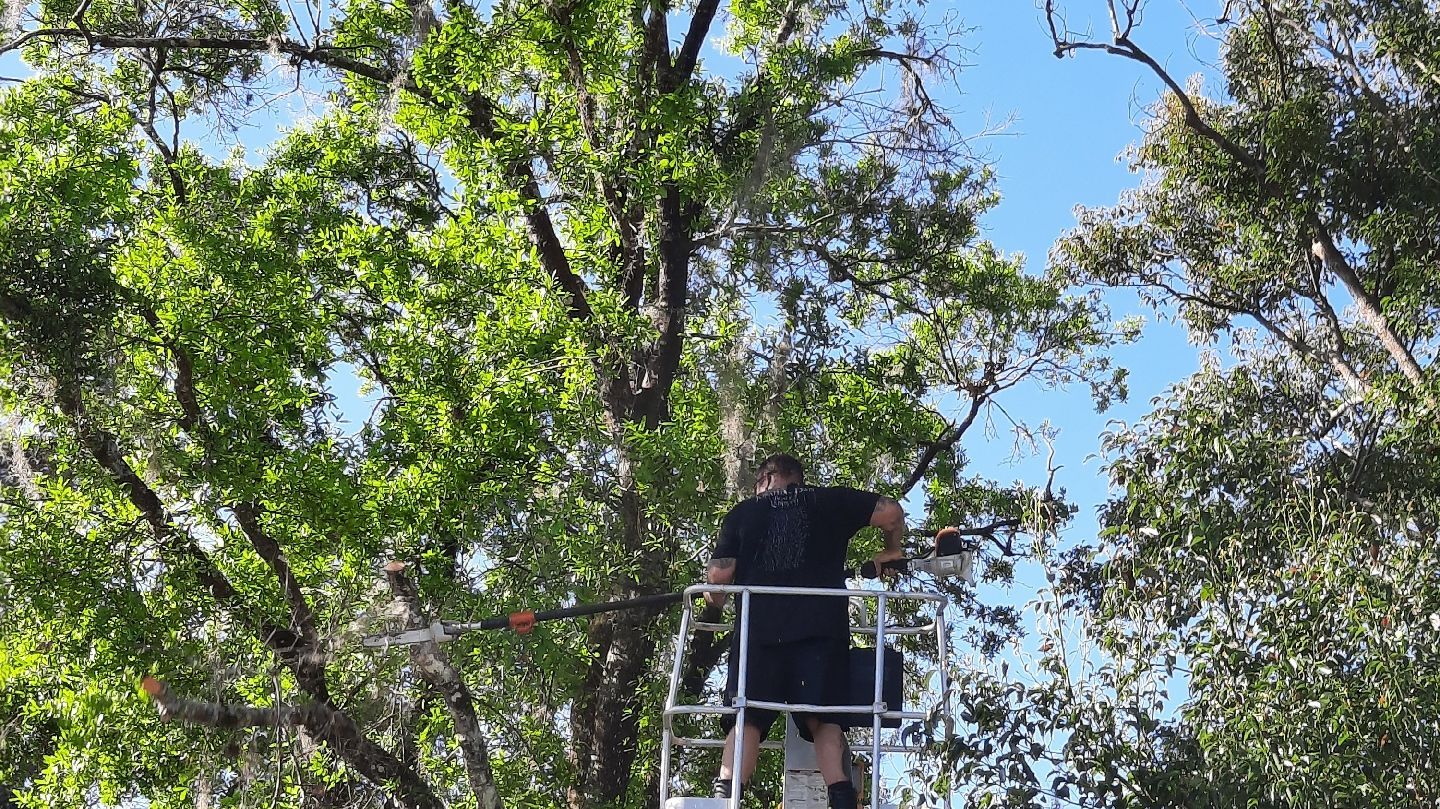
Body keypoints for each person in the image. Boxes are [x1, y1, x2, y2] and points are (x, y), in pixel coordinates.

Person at [705, 453, 905, 808]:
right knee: (824, 719)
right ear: (800, 479)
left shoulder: (743, 514)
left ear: (763, 481)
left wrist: (714, 599)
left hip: (760, 631)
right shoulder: (830, 502)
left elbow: (719, 580)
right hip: (821, 631)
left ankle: (725, 795)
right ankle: (841, 796)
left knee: (746, 716)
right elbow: (890, 511)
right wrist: (891, 550)